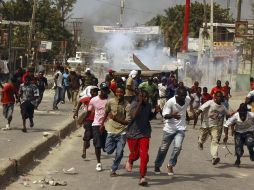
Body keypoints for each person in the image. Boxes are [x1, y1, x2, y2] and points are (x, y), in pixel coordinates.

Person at [154, 87, 192, 175]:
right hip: (169, 129)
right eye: (182, 96)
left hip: (180, 128)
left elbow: (186, 106)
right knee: (163, 149)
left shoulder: (187, 99)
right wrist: (172, 116)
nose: (184, 98)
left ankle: (170, 165)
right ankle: (157, 165)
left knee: (178, 147)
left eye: (185, 95)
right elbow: (165, 115)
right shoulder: (170, 102)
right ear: (177, 95)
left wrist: (188, 115)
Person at [125, 90, 160, 186]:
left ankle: (142, 177)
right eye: (142, 96)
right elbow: (133, 116)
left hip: (144, 133)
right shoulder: (134, 104)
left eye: (146, 97)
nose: (145, 98)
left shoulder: (148, 105)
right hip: (132, 134)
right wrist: (139, 103)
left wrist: (155, 113)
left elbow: (148, 117)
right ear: (138, 97)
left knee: (144, 155)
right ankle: (130, 160)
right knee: (135, 155)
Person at [101, 87, 131, 177]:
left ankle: (113, 169)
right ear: (115, 93)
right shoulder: (110, 102)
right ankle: (113, 146)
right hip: (111, 129)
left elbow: (127, 121)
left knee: (119, 152)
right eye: (118, 92)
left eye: (121, 92)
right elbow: (106, 112)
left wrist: (116, 119)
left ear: (124, 93)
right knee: (108, 151)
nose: (119, 94)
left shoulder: (127, 105)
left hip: (122, 131)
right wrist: (102, 124)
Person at [195, 91, 230, 165]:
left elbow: (228, 114)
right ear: (215, 97)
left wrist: (230, 118)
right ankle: (200, 142)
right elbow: (201, 108)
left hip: (214, 126)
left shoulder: (223, 107)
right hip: (205, 125)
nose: (219, 98)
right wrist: (197, 113)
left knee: (215, 140)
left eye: (221, 97)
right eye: (218, 96)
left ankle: (215, 157)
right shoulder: (210, 102)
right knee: (202, 139)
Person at [88, 82, 109, 171]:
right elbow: (89, 111)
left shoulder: (109, 101)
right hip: (96, 124)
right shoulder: (93, 100)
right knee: (97, 145)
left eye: (106, 90)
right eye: (103, 90)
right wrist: (84, 120)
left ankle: (105, 146)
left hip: (107, 125)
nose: (104, 92)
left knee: (106, 146)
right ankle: (99, 163)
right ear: (100, 90)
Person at [73, 86, 99, 159]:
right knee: (87, 135)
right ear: (90, 93)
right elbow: (80, 102)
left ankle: (90, 145)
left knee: (95, 137)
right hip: (88, 120)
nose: (95, 93)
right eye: (93, 92)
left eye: (96, 92)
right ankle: (84, 151)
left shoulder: (99, 100)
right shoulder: (87, 99)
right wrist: (76, 112)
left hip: (97, 121)